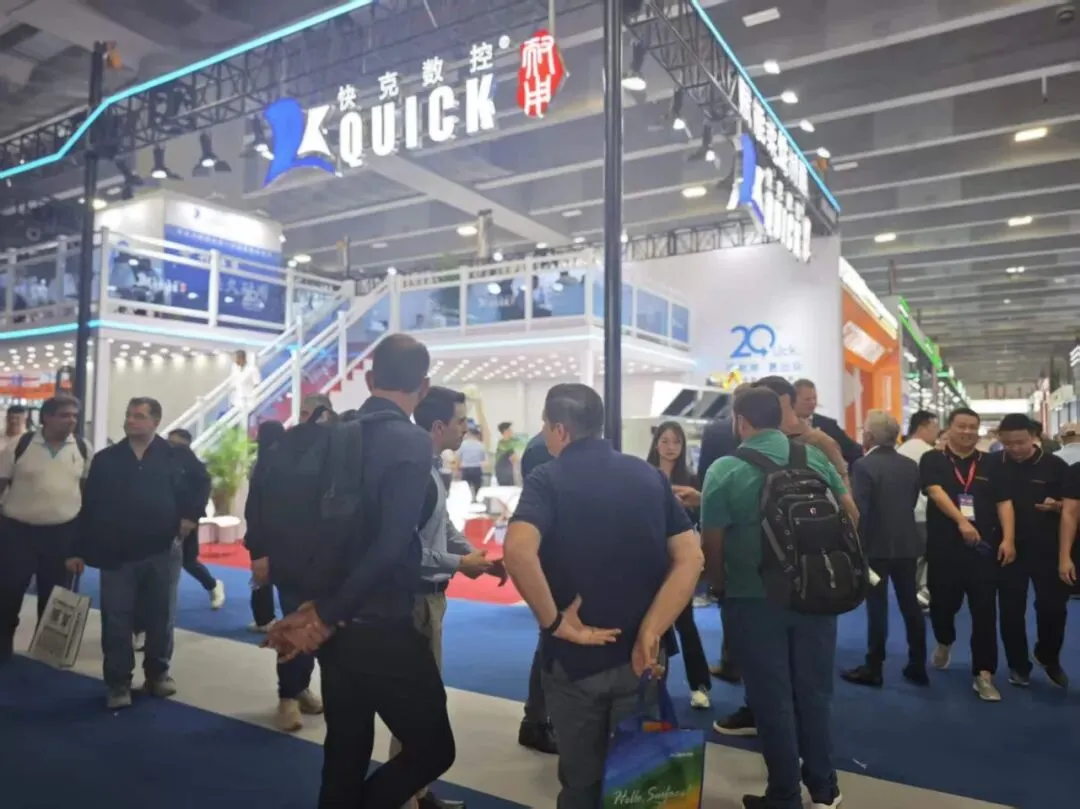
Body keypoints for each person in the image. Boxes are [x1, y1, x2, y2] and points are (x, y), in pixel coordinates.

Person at [263, 335, 456, 809]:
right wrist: (325, 614)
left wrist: (317, 608)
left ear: (369, 380)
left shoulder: (336, 433)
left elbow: (307, 525)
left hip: (336, 623)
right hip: (380, 620)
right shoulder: (411, 441)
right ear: (423, 386)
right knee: (434, 748)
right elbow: (391, 544)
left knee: (345, 750)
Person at [503, 383, 703, 809]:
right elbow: (691, 558)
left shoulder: (547, 478)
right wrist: (652, 629)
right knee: (639, 784)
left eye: (545, 425)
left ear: (560, 429)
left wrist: (555, 622)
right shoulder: (648, 476)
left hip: (576, 660)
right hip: (642, 656)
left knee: (581, 783)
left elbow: (517, 552)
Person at [700, 387, 856, 809]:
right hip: (816, 592)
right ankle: (825, 789)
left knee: (772, 699)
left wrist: (719, 585)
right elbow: (851, 515)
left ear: (741, 421)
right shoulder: (813, 458)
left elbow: (712, 541)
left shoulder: (725, 469)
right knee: (815, 694)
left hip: (754, 597)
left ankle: (784, 795)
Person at [390, 386, 504, 809]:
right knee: (415, 707)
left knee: (423, 706)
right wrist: (460, 563)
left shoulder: (432, 469)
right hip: (416, 599)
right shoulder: (417, 473)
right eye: (460, 421)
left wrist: (475, 556)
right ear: (438, 426)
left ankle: (416, 792)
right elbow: (406, 550)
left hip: (431, 600)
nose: (465, 428)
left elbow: (442, 528)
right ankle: (404, 795)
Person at [67, 397, 211, 709]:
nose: (131, 420)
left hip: (163, 550)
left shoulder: (175, 455)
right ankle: (118, 682)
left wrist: (191, 516)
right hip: (116, 552)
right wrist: (77, 549)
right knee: (117, 619)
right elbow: (89, 506)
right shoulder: (107, 459)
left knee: (161, 615)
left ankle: (158, 674)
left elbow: (202, 482)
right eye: (129, 415)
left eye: (139, 416)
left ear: (155, 421)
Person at [920, 407, 1015, 702]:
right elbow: (935, 492)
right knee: (942, 606)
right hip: (944, 550)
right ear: (949, 428)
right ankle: (944, 640)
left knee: (985, 613)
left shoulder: (993, 463)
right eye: (961, 426)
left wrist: (1008, 539)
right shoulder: (933, 459)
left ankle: (984, 674)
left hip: (983, 551)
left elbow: (1004, 502)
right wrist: (961, 522)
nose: (967, 432)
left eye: (973, 427)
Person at [840, 411, 928, 688]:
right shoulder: (909, 465)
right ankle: (917, 664)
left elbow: (860, 510)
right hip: (906, 543)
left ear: (868, 436)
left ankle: (874, 666)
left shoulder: (863, 466)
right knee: (910, 604)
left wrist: (854, 545)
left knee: (877, 607)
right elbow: (912, 500)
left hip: (875, 546)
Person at [0, 395, 90, 664]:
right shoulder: (21, 445)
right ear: (47, 417)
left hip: (63, 535)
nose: (71, 420)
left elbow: (88, 496)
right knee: (8, 594)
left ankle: (48, 653)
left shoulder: (83, 448)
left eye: (74, 416)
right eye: (64, 415)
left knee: (54, 598)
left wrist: (81, 546)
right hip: (18, 533)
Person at [993, 414, 1070, 688]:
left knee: (1053, 607)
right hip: (1007, 548)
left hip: (1047, 547)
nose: (1015, 449)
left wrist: (1057, 506)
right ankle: (1018, 665)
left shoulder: (1055, 466)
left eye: (1021, 442)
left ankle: (1048, 655)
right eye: (1008, 443)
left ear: (1034, 437)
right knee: (1011, 610)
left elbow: (1073, 507)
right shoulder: (994, 464)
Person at [646, 420, 712, 709]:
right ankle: (653, 684)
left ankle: (699, 684)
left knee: (685, 622)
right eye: (665, 441)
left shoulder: (692, 481)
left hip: (681, 560)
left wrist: (690, 507)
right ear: (656, 444)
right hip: (650, 558)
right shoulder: (644, 476)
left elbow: (703, 519)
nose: (671, 447)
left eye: (676, 442)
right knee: (651, 623)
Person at [517, 431, 558, 756]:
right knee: (552, 636)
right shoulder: (541, 451)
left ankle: (540, 717)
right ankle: (535, 720)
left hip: (554, 554)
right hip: (553, 555)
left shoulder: (541, 447)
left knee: (551, 637)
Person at [165, 428, 225, 610]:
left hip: (186, 520)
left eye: (176, 444)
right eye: (170, 443)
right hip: (163, 518)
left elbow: (202, 493)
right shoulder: (162, 462)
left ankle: (213, 585)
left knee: (188, 561)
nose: (172, 447)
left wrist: (191, 518)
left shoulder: (195, 467)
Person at [898, 410, 939, 608]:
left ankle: (913, 595)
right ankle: (924, 595)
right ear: (922, 427)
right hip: (926, 511)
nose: (937, 431)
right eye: (934, 427)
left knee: (913, 559)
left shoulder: (900, 450)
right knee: (929, 556)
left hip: (905, 514)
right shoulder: (929, 453)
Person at [248, 420, 286, 633]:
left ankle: (263, 618)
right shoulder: (288, 460)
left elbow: (253, 505)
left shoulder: (260, 465)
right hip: (282, 529)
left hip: (262, 530)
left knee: (261, 576)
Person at [793, 379, 863, 466]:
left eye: (814, 398)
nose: (813, 403)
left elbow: (854, 450)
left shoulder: (828, 425)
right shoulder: (784, 425)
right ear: (793, 400)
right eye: (807, 399)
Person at [230, 349, 261, 424]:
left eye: (236, 359)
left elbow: (257, 384)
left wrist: (253, 398)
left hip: (248, 400)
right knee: (235, 422)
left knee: (245, 422)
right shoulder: (234, 368)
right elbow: (234, 382)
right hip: (236, 400)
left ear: (242, 358)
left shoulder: (252, 369)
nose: (235, 361)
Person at [457, 428, 486, 501]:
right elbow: (482, 458)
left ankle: (467, 499)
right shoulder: (480, 445)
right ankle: (475, 499)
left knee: (466, 486)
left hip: (465, 468)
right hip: (477, 468)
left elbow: (458, 456)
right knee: (477, 486)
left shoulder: (462, 444)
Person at [494, 421, 517, 486]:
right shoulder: (507, 444)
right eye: (510, 430)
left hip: (500, 471)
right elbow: (514, 459)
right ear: (505, 431)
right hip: (506, 473)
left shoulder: (500, 443)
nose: (512, 432)